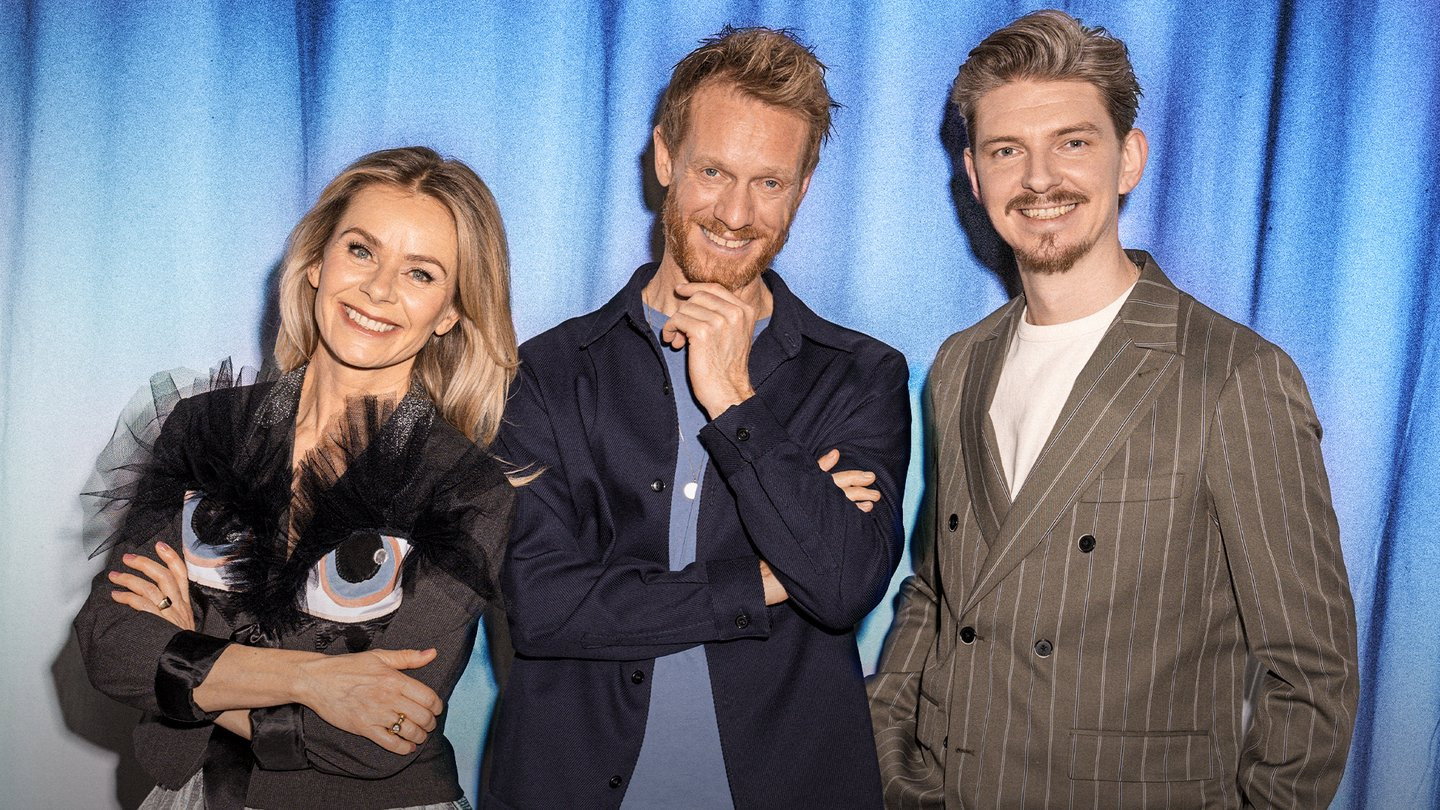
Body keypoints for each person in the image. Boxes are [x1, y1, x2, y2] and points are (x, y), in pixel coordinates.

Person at [868, 10, 1358, 808]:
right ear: (973, 174)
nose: (1039, 179)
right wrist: (889, 756)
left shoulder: (1235, 377)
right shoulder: (959, 364)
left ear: (1128, 158)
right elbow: (937, 590)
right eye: (1006, 150)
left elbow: (1313, 672)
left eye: (1072, 142)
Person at [485, 26, 911, 809]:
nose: (736, 213)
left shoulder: (860, 375)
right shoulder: (547, 373)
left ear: (803, 187)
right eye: (713, 171)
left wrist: (735, 402)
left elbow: (842, 584)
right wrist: (765, 581)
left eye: (769, 182)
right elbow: (539, 607)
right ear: (664, 158)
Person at [75, 146, 520, 810]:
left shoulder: (464, 488)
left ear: (451, 312)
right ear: (317, 262)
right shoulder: (204, 428)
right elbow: (110, 644)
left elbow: (382, 736)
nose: (378, 289)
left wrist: (187, 653)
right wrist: (314, 680)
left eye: (420, 273)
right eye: (361, 251)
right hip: (188, 792)